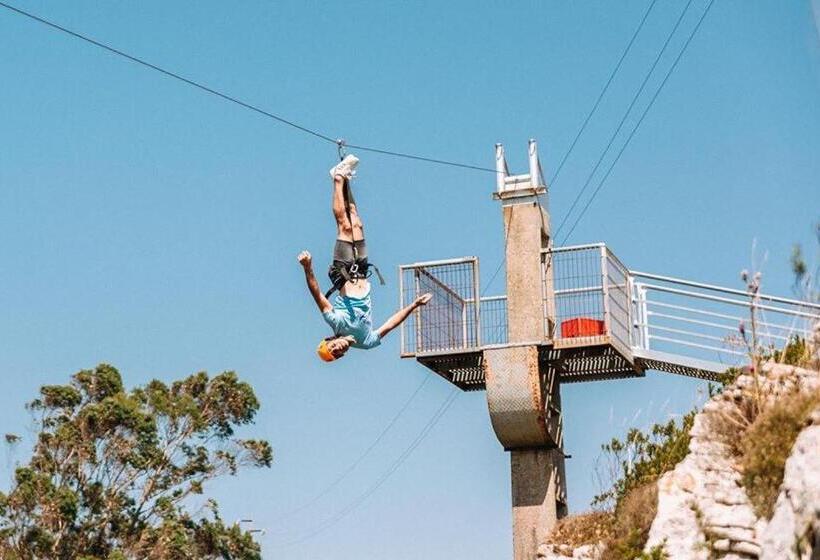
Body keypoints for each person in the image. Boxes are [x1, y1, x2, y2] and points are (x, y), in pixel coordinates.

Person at [298, 154, 432, 361]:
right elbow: (390, 324)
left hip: (343, 273)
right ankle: (346, 179)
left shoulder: (336, 323)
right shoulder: (366, 342)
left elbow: (317, 294)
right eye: (337, 353)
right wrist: (413, 306)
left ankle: (337, 180)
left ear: (329, 339)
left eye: (333, 347)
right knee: (357, 222)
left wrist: (307, 268)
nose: (338, 348)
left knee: (344, 225)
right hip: (360, 272)